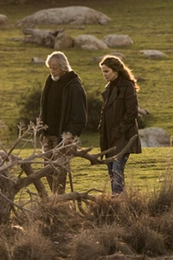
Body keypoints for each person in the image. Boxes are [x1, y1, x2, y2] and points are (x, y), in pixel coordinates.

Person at [38, 51, 87, 194]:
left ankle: (59, 200)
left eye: (55, 68)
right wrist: (41, 129)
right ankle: (55, 198)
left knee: (60, 170)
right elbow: (44, 108)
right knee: (47, 168)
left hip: (63, 136)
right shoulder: (50, 81)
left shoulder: (74, 86)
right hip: (48, 133)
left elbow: (79, 116)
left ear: (64, 67)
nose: (52, 71)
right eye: (50, 68)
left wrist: (70, 135)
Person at [98, 55, 142, 196]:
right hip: (109, 136)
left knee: (117, 170)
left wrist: (119, 130)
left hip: (123, 136)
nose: (104, 75)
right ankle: (118, 201)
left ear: (115, 70)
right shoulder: (109, 87)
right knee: (111, 171)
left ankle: (118, 201)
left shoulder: (127, 86)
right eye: (103, 72)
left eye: (107, 71)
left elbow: (132, 112)